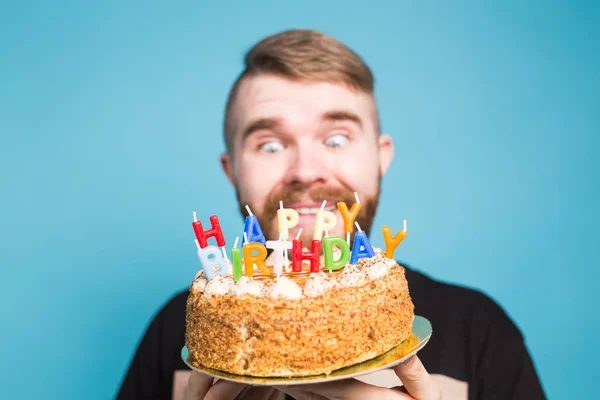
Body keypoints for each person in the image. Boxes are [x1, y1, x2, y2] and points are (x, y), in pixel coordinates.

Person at [116, 29, 546, 400]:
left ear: (381, 158)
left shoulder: (480, 330)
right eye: (269, 144)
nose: (306, 171)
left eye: (337, 139)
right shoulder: (180, 327)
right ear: (232, 170)